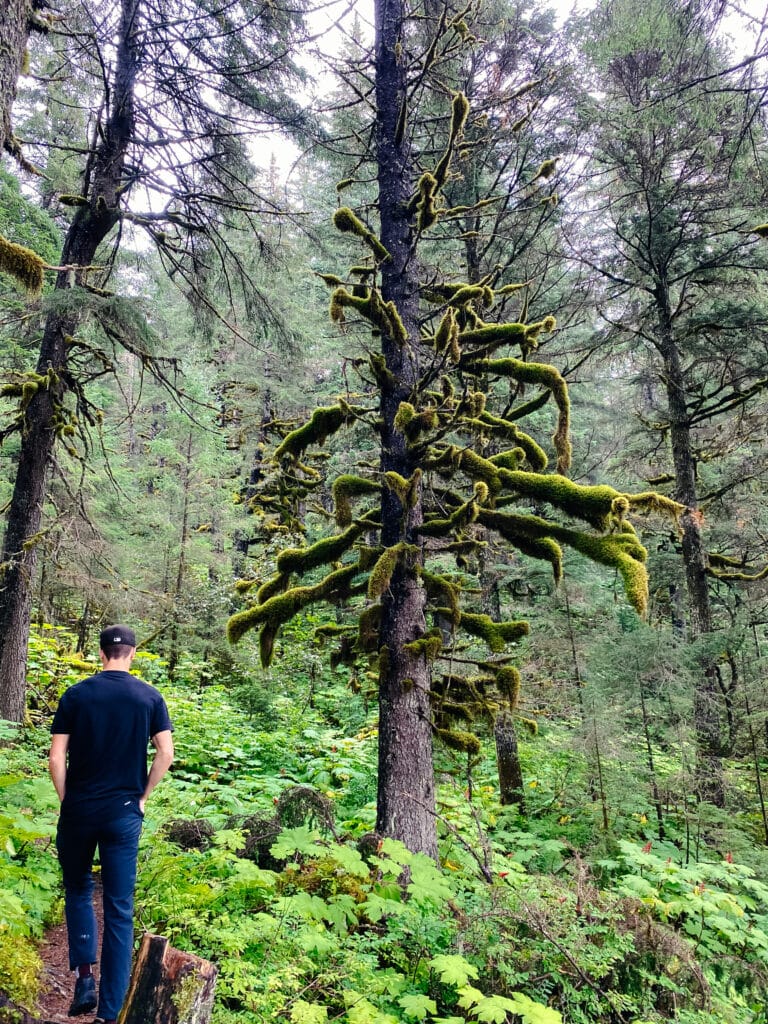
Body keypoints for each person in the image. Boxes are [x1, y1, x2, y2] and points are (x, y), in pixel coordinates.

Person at [49, 625, 174, 1023]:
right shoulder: (149, 697)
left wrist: (67, 798)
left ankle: (85, 975)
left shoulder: (76, 695)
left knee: (79, 888)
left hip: (80, 809)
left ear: (101, 653)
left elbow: (55, 758)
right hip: (124, 812)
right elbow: (165, 754)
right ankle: (109, 1011)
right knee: (120, 908)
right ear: (132, 654)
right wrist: (142, 797)